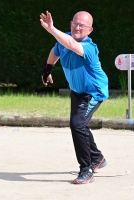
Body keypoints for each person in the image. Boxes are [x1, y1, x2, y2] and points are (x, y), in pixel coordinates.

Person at [40, 11, 109, 184]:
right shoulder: (65, 38)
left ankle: (87, 169)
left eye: (82, 25)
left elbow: (71, 44)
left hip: (93, 92)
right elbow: (56, 49)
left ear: (90, 30)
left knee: (77, 124)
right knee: (79, 125)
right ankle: (97, 157)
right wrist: (48, 68)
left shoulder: (89, 48)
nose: (77, 28)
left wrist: (51, 28)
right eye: (75, 23)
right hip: (77, 91)